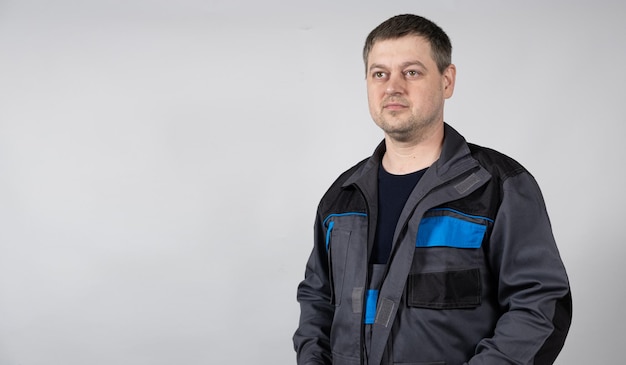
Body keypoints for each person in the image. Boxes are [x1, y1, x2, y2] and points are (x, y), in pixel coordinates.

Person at [293, 14, 572, 365]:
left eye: (411, 72)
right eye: (380, 73)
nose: (393, 87)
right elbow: (317, 302)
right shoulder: (342, 198)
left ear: (447, 80)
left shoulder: (497, 188)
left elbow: (540, 305)